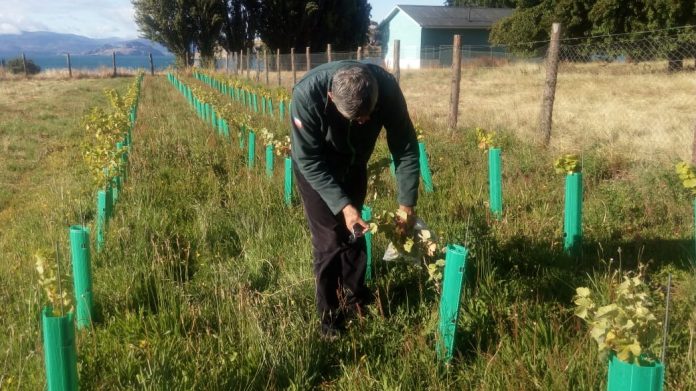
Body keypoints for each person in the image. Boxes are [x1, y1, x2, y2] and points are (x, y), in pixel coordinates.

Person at [290, 60, 420, 336]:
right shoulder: (307, 95)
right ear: (331, 98)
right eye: (356, 119)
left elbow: (406, 147)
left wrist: (406, 204)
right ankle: (330, 319)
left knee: (355, 233)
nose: (364, 122)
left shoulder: (386, 88)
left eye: (369, 115)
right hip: (316, 168)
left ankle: (354, 298)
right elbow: (308, 160)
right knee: (329, 240)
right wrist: (343, 206)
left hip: (354, 163)